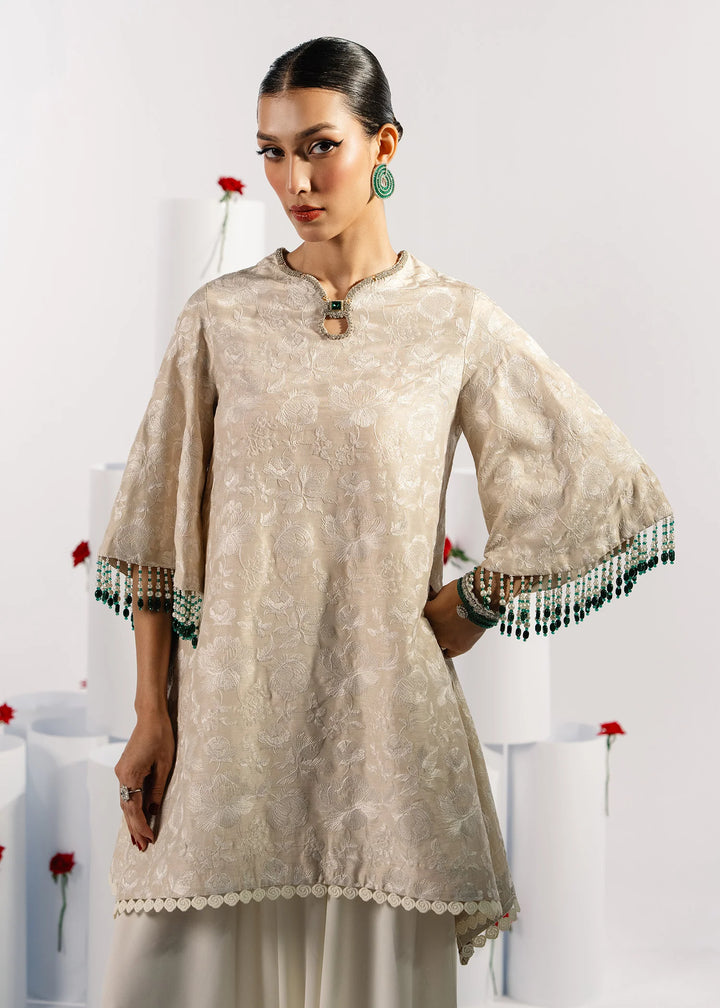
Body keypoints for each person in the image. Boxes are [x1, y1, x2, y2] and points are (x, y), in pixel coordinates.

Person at [98, 36, 675, 1008]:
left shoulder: (453, 320)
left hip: (383, 732)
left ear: (385, 144)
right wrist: (152, 713)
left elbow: (595, 476)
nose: (294, 180)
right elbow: (159, 525)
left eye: (319, 146)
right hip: (228, 730)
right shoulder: (219, 319)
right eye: (273, 152)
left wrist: (478, 601)